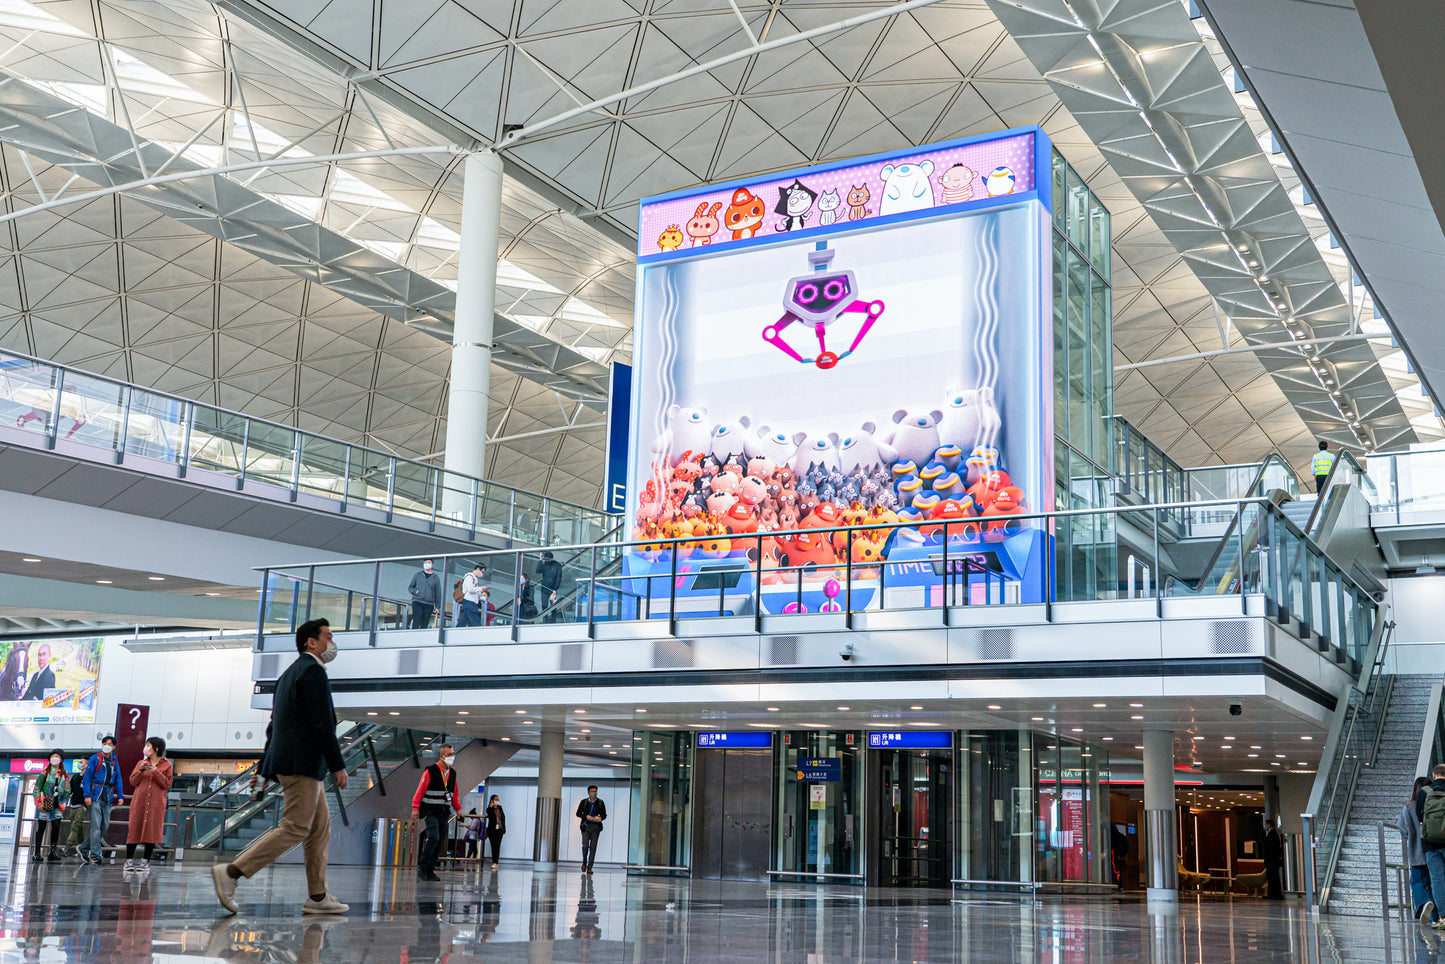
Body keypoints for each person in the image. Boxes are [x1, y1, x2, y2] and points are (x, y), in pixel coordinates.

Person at [212, 617, 349, 917]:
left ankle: (317, 895)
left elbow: (274, 727)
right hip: (303, 763)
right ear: (311, 642)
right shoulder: (312, 672)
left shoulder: (289, 674)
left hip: (294, 762)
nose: (332, 643)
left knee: (318, 829)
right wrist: (338, 765)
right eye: (328, 636)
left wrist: (263, 769)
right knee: (296, 827)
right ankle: (232, 873)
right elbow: (322, 725)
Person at [411, 743, 461, 881]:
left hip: (443, 811)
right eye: (449, 755)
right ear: (441, 756)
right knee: (433, 836)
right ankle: (423, 865)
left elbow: (454, 793)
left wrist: (458, 809)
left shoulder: (452, 773)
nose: (452, 757)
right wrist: (415, 808)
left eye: (453, 755)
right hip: (430, 810)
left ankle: (430, 868)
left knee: (440, 841)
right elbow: (420, 790)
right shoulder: (430, 771)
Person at [124, 738, 173, 873]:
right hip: (140, 802)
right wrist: (140, 770)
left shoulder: (166, 764)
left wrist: (155, 772)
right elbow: (133, 781)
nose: (146, 748)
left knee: (152, 830)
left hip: (156, 804)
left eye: (148, 745)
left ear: (156, 749)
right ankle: (128, 861)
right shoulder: (141, 762)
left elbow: (167, 784)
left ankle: (145, 861)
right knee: (134, 828)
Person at [81, 735, 125, 864]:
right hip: (95, 795)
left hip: (107, 796)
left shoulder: (114, 761)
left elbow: (118, 779)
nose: (106, 745)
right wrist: (87, 795)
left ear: (114, 746)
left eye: (109, 744)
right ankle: (96, 854)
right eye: (104, 743)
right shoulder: (95, 758)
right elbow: (87, 777)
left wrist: (120, 796)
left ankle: (83, 847)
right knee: (95, 827)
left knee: (104, 826)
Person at [1403, 776, 1437, 925]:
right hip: (1434, 850)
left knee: (1417, 882)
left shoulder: (1409, 807)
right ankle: (1437, 917)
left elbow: (1403, 829)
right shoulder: (1435, 804)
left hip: (1416, 851)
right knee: (1435, 883)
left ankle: (1425, 900)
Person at [1418, 763, 1445, 932]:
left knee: (1437, 879)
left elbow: (1420, 815)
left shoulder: (1424, 792)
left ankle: (1443, 916)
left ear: (1434, 775)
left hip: (1430, 843)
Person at [30, 750, 65, 862]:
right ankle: (37, 853)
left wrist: (63, 802)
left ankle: (52, 851)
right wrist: (38, 802)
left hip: (57, 804)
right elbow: (37, 788)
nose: (54, 758)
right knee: (41, 827)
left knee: (56, 827)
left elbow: (66, 789)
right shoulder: (44, 773)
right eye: (53, 756)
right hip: (45, 802)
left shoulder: (64, 774)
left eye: (57, 756)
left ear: (61, 759)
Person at [575, 785, 606, 874]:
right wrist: (586, 817)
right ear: (588, 792)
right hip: (585, 827)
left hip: (596, 827)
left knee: (593, 847)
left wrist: (600, 818)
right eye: (592, 791)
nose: (594, 793)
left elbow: (604, 815)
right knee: (585, 845)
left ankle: (590, 867)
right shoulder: (583, 802)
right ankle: (584, 861)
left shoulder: (600, 802)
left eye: (595, 791)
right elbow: (578, 813)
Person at [408, 559, 443, 629]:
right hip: (417, 601)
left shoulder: (435, 578)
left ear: (432, 565)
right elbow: (410, 587)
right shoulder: (418, 575)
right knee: (416, 620)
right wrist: (415, 592)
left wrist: (437, 606)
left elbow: (438, 593)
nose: (427, 564)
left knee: (425, 623)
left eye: (429, 562)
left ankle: (422, 638)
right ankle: (414, 635)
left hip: (429, 604)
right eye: (425, 562)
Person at [64, 767, 89, 857]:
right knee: (79, 829)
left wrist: (86, 806)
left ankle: (67, 846)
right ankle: (82, 849)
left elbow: (91, 792)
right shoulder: (75, 776)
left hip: (81, 806)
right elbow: (70, 790)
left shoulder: (89, 778)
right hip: (73, 805)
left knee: (75, 827)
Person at [1262, 818, 1284, 900]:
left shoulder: (1272, 834)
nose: (1265, 826)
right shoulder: (1273, 834)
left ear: (1268, 824)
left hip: (1272, 860)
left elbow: (1270, 848)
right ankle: (1273, 893)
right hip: (1273, 860)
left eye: (1266, 824)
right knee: (1272, 877)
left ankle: (1274, 893)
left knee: (1272, 877)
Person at [537, 551, 563, 622]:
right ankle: (544, 621)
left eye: (548, 559)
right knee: (544, 606)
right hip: (544, 587)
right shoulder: (545, 564)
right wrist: (540, 560)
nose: (547, 561)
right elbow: (538, 571)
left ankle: (553, 620)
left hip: (552, 589)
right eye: (546, 559)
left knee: (553, 607)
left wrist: (555, 589)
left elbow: (558, 578)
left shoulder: (557, 565)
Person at [458, 564, 486, 628]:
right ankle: (478, 634)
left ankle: (456, 632)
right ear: (478, 569)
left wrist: (480, 592)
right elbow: (470, 589)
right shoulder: (469, 577)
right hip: (469, 602)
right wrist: (481, 588)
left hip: (470, 602)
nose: (482, 574)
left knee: (464, 621)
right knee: (475, 621)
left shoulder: (474, 578)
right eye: (482, 571)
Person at [485, 794, 506, 869]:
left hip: (499, 830)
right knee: (493, 846)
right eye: (495, 799)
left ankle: (495, 862)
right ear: (492, 800)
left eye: (498, 799)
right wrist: (490, 807)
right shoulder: (489, 809)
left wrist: (504, 829)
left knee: (497, 846)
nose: (497, 801)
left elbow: (503, 818)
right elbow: (490, 816)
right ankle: (494, 861)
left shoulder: (500, 808)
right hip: (492, 830)